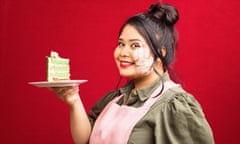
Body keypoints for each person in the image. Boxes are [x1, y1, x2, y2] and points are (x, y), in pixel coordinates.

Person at [50, 3, 215, 144]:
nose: (123, 52)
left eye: (135, 45)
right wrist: (73, 99)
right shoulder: (116, 98)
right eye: (121, 44)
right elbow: (86, 139)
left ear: (161, 52)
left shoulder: (173, 105)